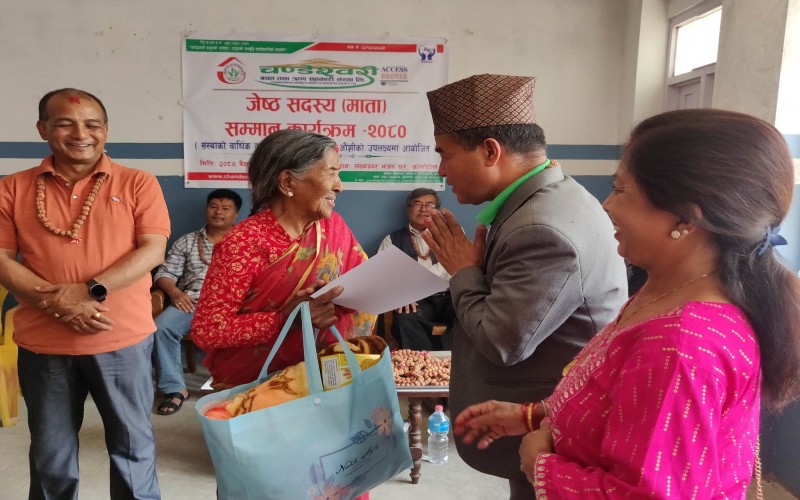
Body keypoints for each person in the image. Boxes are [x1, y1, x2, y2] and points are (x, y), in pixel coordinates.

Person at [453, 109, 800, 498]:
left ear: (685, 219)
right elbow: (621, 398)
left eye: (620, 190)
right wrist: (537, 415)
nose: (606, 206)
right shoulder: (667, 293)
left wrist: (541, 467)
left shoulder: (680, 343)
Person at [420, 74, 628, 498]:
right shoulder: (550, 199)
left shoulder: (541, 227)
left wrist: (463, 271)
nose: (441, 171)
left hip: (552, 433)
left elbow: (502, 341)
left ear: (490, 151)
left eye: (445, 154)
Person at [0, 88, 169, 499]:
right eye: (65, 123)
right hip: (44, 343)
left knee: (132, 449)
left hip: (122, 339)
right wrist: (58, 303)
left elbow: (152, 250)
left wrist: (91, 290)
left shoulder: (138, 183)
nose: (81, 134)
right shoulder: (13, 188)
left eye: (92, 125)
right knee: (51, 455)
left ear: (106, 130)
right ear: (42, 129)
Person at [192, 129, 376, 390]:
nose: (339, 186)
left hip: (327, 377)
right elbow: (208, 330)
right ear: (288, 182)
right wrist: (287, 319)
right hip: (258, 387)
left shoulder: (332, 226)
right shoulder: (245, 242)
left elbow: (361, 283)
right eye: (331, 173)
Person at [153, 188, 242, 415]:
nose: (218, 212)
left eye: (226, 208)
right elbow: (165, 274)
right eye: (213, 206)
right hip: (191, 302)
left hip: (235, 305)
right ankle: (175, 389)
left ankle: (239, 388)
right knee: (161, 328)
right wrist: (175, 293)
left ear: (235, 214)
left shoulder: (245, 241)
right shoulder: (188, 241)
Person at [378, 188, 455, 351]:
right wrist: (401, 295)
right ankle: (420, 361)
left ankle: (452, 361)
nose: (423, 209)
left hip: (449, 296)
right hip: (415, 299)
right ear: (408, 209)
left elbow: (461, 267)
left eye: (430, 204)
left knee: (468, 315)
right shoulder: (391, 240)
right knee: (405, 320)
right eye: (417, 204)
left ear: (437, 210)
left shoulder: (452, 235)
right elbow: (383, 276)